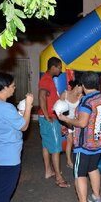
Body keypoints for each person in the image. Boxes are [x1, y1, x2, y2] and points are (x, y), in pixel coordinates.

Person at [0, 72, 34, 202]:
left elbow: (2, 123)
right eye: (12, 85)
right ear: (4, 88)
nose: (14, 88)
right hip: (8, 157)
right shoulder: (6, 108)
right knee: (5, 190)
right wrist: (29, 105)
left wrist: (19, 114)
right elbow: (24, 126)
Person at [58, 71, 101, 202]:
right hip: (99, 142)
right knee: (93, 168)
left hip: (85, 145)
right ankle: (96, 197)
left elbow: (82, 122)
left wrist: (67, 119)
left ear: (84, 84)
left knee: (80, 174)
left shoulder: (87, 101)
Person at [38, 57, 70, 188]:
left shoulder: (47, 79)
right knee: (56, 148)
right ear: (53, 67)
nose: (60, 70)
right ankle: (58, 177)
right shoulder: (46, 79)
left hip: (46, 118)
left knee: (46, 144)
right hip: (48, 118)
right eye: (59, 67)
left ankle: (48, 171)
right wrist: (47, 116)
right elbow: (41, 96)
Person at [59, 79, 83, 169]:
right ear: (77, 86)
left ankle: (76, 160)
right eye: (82, 87)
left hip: (75, 121)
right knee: (70, 141)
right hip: (65, 120)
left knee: (75, 141)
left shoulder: (80, 96)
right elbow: (59, 108)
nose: (83, 89)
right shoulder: (65, 94)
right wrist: (62, 123)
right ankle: (69, 161)